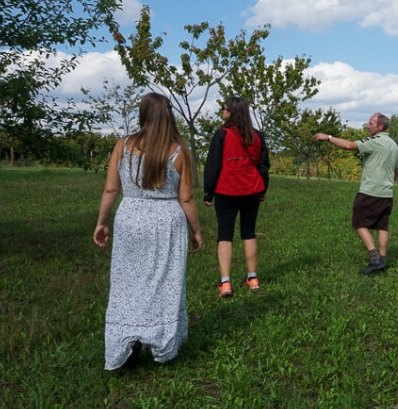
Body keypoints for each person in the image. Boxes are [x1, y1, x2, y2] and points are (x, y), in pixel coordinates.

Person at [94, 93, 203, 370]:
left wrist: (102, 222)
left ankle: (126, 342)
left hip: (130, 219)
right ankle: (161, 344)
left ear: (142, 114)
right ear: (169, 115)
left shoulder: (123, 145)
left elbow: (111, 188)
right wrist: (197, 231)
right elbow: (187, 198)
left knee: (127, 284)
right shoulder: (179, 151)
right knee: (163, 284)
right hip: (166, 223)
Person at [314, 113, 398, 274]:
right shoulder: (394, 145)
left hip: (370, 191)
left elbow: (348, 145)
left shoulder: (375, 141)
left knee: (359, 222)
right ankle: (382, 260)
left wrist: (328, 137)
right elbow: (397, 170)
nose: (367, 126)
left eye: (370, 123)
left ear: (380, 126)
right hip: (387, 193)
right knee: (382, 225)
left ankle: (374, 258)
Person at [203, 96, 270, 297]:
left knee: (225, 235)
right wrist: (263, 189)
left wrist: (208, 191)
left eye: (224, 108)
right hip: (252, 190)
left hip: (226, 191)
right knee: (249, 232)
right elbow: (263, 165)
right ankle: (253, 278)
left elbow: (213, 165)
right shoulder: (257, 135)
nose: (222, 111)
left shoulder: (221, 135)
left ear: (231, 112)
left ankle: (225, 283)